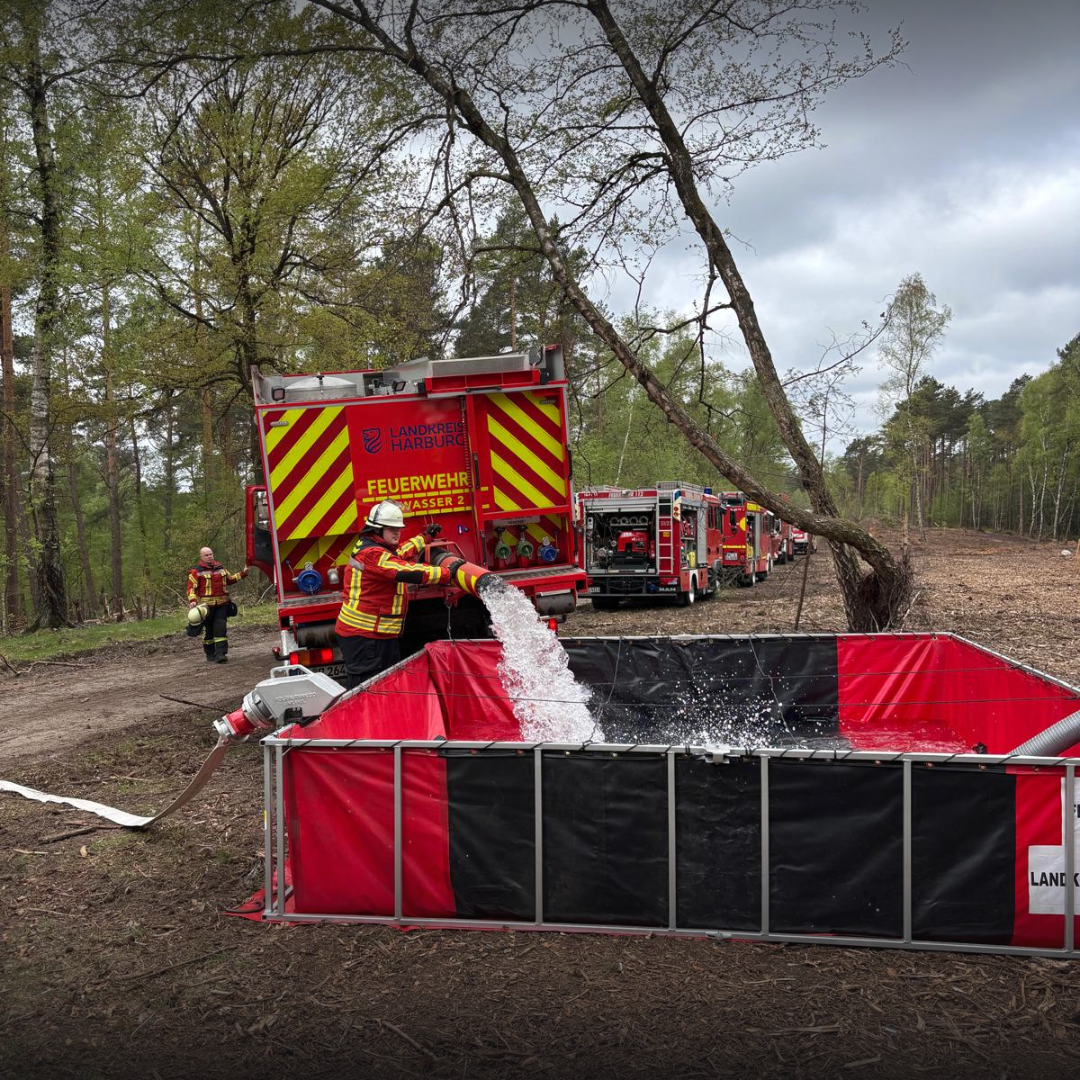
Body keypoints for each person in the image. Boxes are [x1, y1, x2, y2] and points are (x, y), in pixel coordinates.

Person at [334, 500, 451, 689]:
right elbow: (404, 569)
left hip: (376, 635)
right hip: (366, 637)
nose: (397, 532)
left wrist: (424, 538)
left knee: (386, 686)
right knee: (368, 692)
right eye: (391, 529)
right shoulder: (371, 554)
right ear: (377, 529)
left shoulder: (377, 547)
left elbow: (400, 553)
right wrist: (447, 573)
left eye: (398, 528)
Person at [187, 547, 249, 663]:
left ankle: (221, 654)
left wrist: (243, 574)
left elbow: (230, 580)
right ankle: (210, 654)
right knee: (208, 631)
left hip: (222, 604)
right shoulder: (196, 571)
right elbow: (191, 588)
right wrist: (193, 601)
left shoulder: (221, 568)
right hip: (206, 607)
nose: (209, 556)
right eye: (206, 555)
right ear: (201, 557)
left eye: (210, 554)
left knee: (220, 629)